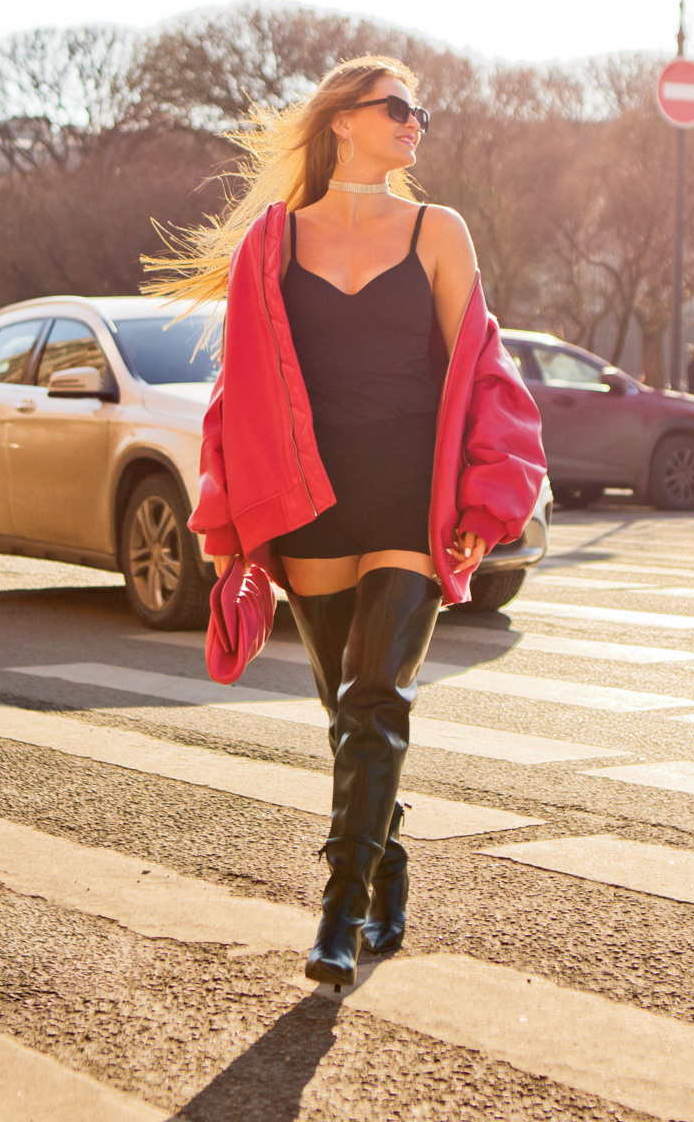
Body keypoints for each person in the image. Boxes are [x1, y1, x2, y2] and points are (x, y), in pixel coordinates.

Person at [146, 56, 545, 989]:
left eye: (422, 113)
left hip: (412, 490)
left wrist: (486, 504)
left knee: (378, 697)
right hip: (312, 498)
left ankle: (339, 906)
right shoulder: (273, 243)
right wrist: (235, 520)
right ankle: (389, 860)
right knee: (346, 711)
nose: (416, 124)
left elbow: (482, 369)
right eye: (398, 108)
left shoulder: (439, 231)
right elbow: (240, 387)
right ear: (342, 123)